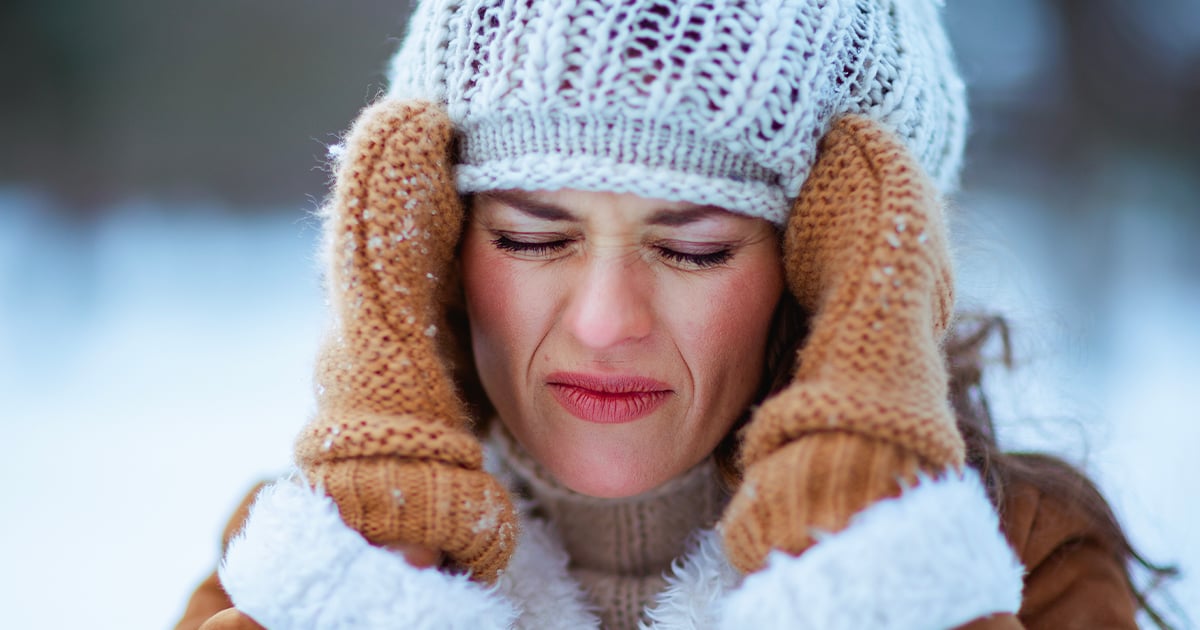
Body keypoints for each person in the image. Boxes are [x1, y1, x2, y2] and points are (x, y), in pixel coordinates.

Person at [176, 1, 1167, 628]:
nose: (607, 322)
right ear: (436, 242)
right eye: (531, 237)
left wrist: (879, 584)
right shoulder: (304, 566)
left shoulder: (1020, 565)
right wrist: (363, 602)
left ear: (840, 262)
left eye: (694, 248)